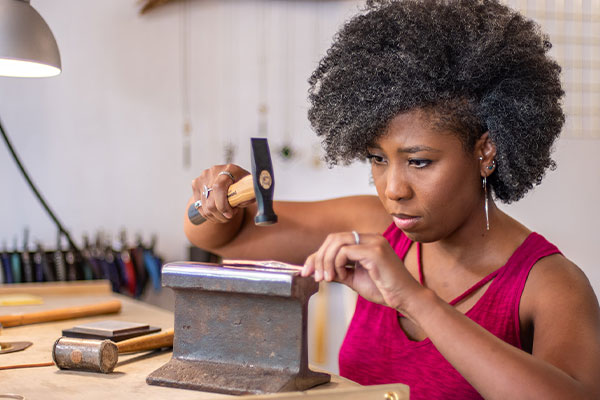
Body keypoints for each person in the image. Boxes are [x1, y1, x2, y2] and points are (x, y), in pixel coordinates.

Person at [184, 0, 600, 398]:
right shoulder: (375, 229)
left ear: (485, 151)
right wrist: (220, 195)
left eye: (419, 162)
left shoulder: (548, 285)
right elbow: (221, 239)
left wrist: (414, 299)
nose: (392, 189)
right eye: (378, 159)